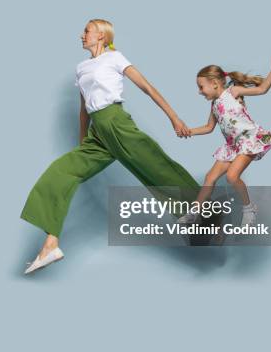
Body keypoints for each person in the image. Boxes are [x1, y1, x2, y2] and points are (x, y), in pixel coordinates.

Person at [21, 18, 199, 274]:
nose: (82, 35)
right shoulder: (81, 67)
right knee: (59, 173)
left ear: (101, 36)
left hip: (116, 122)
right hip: (97, 132)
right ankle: (51, 244)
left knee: (155, 166)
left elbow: (147, 87)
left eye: (86, 31)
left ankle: (203, 213)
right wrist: (83, 144)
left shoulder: (115, 58)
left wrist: (174, 117)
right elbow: (83, 110)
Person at [177, 54, 271, 227]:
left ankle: (249, 208)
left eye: (201, 87)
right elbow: (208, 127)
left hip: (248, 140)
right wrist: (188, 131)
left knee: (232, 176)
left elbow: (262, 89)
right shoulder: (214, 105)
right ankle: (194, 213)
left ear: (214, 83)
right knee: (209, 177)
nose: (199, 91)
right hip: (233, 146)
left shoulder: (233, 92)